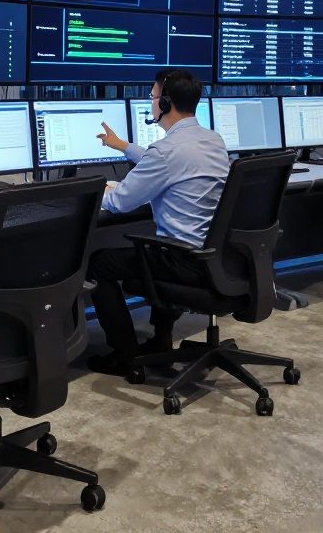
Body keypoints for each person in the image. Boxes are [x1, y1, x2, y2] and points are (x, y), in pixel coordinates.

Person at [85, 69, 230, 375]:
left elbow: (119, 202)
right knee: (158, 244)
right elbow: (166, 162)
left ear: (165, 102)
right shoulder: (213, 140)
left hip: (183, 260)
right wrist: (124, 147)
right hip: (214, 255)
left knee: (99, 263)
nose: (150, 103)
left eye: (152, 96)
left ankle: (125, 354)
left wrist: (83, 194)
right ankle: (160, 340)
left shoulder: (166, 152)